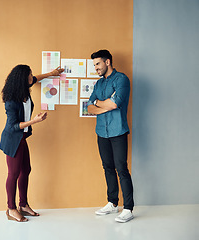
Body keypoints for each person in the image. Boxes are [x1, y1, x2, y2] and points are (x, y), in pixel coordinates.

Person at [0, 64, 64, 222]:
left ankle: (23, 205)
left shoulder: (24, 88)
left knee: (26, 170)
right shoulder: (11, 101)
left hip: (21, 139)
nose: (32, 77)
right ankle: (11, 209)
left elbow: (37, 79)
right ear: (22, 78)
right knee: (13, 174)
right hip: (13, 140)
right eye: (29, 75)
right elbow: (13, 126)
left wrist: (53, 73)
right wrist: (33, 121)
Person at [87, 49, 134, 223]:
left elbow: (116, 103)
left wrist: (100, 103)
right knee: (107, 167)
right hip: (101, 131)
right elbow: (89, 107)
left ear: (107, 62)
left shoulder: (122, 79)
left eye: (97, 64)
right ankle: (112, 203)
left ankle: (128, 208)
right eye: (94, 65)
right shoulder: (98, 85)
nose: (96, 68)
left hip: (118, 130)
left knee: (121, 169)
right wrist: (104, 104)